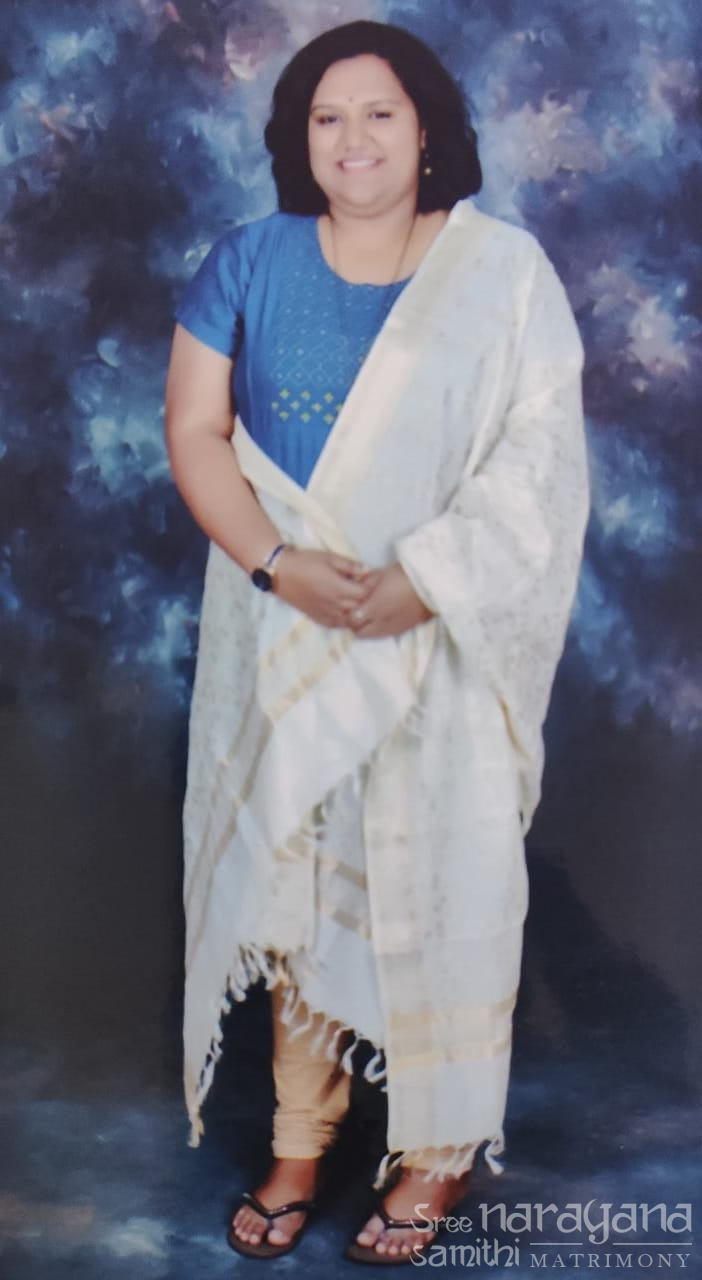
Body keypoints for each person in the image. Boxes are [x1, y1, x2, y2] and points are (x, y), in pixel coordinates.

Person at [165, 18, 589, 1265]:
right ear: (299, 140)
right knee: (294, 880)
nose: (353, 139)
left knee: (444, 879)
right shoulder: (247, 258)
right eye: (326, 117)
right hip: (281, 618)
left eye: (380, 113)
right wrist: (278, 562)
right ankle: (300, 1137)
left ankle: (435, 1150)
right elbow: (195, 430)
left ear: (429, 130)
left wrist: (427, 580)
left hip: (438, 638)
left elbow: (541, 460)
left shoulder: (501, 273)